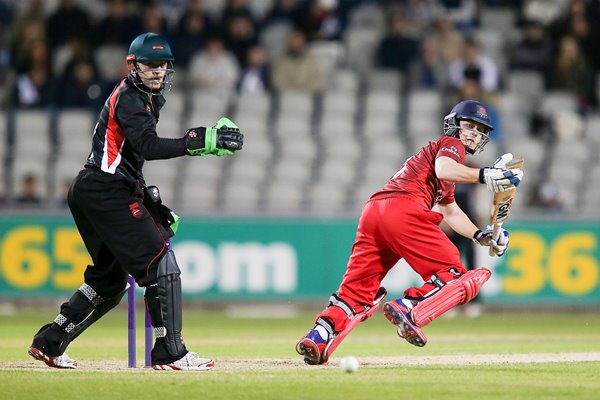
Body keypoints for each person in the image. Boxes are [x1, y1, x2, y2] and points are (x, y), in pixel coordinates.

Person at [27, 32, 243, 371]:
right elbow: (147, 146)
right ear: (133, 65)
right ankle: (171, 352)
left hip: (97, 189)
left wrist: (151, 203)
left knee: (109, 282)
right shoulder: (129, 97)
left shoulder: (141, 97)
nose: (157, 72)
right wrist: (200, 140)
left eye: (162, 65)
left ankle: (50, 342)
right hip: (104, 190)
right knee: (161, 263)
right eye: (150, 65)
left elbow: (128, 159)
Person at [296, 100, 523, 365]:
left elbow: (450, 211)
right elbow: (444, 168)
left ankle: (319, 334)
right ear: (454, 125)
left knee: (357, 292)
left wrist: (479, 235)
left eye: (480, 129)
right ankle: (409, 307)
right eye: (469, 125)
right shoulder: (451, 146)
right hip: (403, 209)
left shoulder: (444, 165)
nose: (474, 132)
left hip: (373, 213)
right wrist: (485, 175)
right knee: (454, 275)